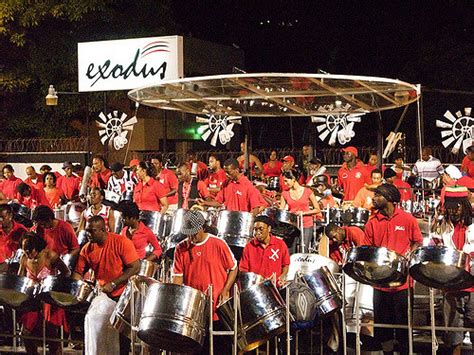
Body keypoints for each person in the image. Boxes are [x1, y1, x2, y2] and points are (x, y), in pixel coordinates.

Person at [363, 183, 423, 355]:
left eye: (377, 195)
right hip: (380, 284)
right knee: (383, 327)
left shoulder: (407, 219)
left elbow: (418, 241)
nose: (373, 198)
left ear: (389, 198)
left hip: (402, 284)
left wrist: (407, 254)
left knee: (404, 325)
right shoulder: (372, 223)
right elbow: (367, 249)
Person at [72, 216, 140, 355]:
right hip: (105, 295)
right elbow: (78, 272)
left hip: (124, 294)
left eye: (92, 231)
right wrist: (74, 289)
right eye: (87, 231)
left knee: (121, 338)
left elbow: (135, 267)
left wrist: (115, 283)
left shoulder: (121, 242)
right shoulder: (87, 249)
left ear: (103, 229)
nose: (88, 234)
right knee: (94, 324)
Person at [172, 210, 237, 353]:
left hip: (216, 307)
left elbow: (233, 268)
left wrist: (225, 290)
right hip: (194, 310)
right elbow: (177, 277)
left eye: (194, 233)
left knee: (219, 348)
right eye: (188, 233)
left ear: (202, 227)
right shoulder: (180, 248)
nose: (191, 237)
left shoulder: (219, 244)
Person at [430, 185, 473, 355]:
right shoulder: (441, 225)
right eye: (450, 208)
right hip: (451, 285)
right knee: (453, 334)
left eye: (457, 207)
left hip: (472, 285)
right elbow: (435, 249)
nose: (453, 212)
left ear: (464, 205)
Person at [18, 232, 71, 355]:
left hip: (49, 299)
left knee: (51, 333)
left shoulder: (50, 256)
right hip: (33, 300)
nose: (26, 252)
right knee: (25, 333)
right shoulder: (24, 258)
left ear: (37, 247)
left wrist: (52, 283)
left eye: (29, 250)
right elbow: (20, 278)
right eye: (24, 249)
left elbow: (66, 272)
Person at [198, 158, 263, 214]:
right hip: (229, 220)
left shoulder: (248, 185)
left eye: (228, 172)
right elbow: (219, 202)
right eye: (225, 172)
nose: (226, 175)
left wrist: (247, 219)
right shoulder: (226, 183)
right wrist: (205, 203)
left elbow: (256, 208)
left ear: (237, 170)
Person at [239, 215, 290, 286]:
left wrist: (282, 277)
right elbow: (243, 270)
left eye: (261, 229)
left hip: (275, 287)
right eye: (255, 229)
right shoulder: (249, 246)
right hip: (256, 286)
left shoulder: (280, 244)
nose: (258, 232)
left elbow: (285, 265)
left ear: (269, 229)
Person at [280, 170, 322, 253]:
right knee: (290, 251)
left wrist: (304, 213)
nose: (285, 183)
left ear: (293, 179)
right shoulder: (285, 193)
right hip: (292, 226)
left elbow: (317, 209)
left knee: (303, 249)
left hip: (306, 224)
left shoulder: (308, 191)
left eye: (286, 181)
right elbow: (281, 211)